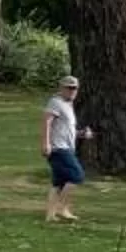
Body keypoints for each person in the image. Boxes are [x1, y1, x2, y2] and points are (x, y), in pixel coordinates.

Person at [42, 74, 84, 223]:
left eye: (75, 88)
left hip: (66, 146)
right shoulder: (55, 102)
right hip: (58, 148)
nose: (72, 91)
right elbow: (47, 122)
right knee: (76, 176)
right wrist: (46, 144)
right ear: (62, 88)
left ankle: (50, 215)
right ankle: (63, 208)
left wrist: (81, 134)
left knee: (58, 182)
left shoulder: (68, 105)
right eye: (69, 88)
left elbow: (65, 128)